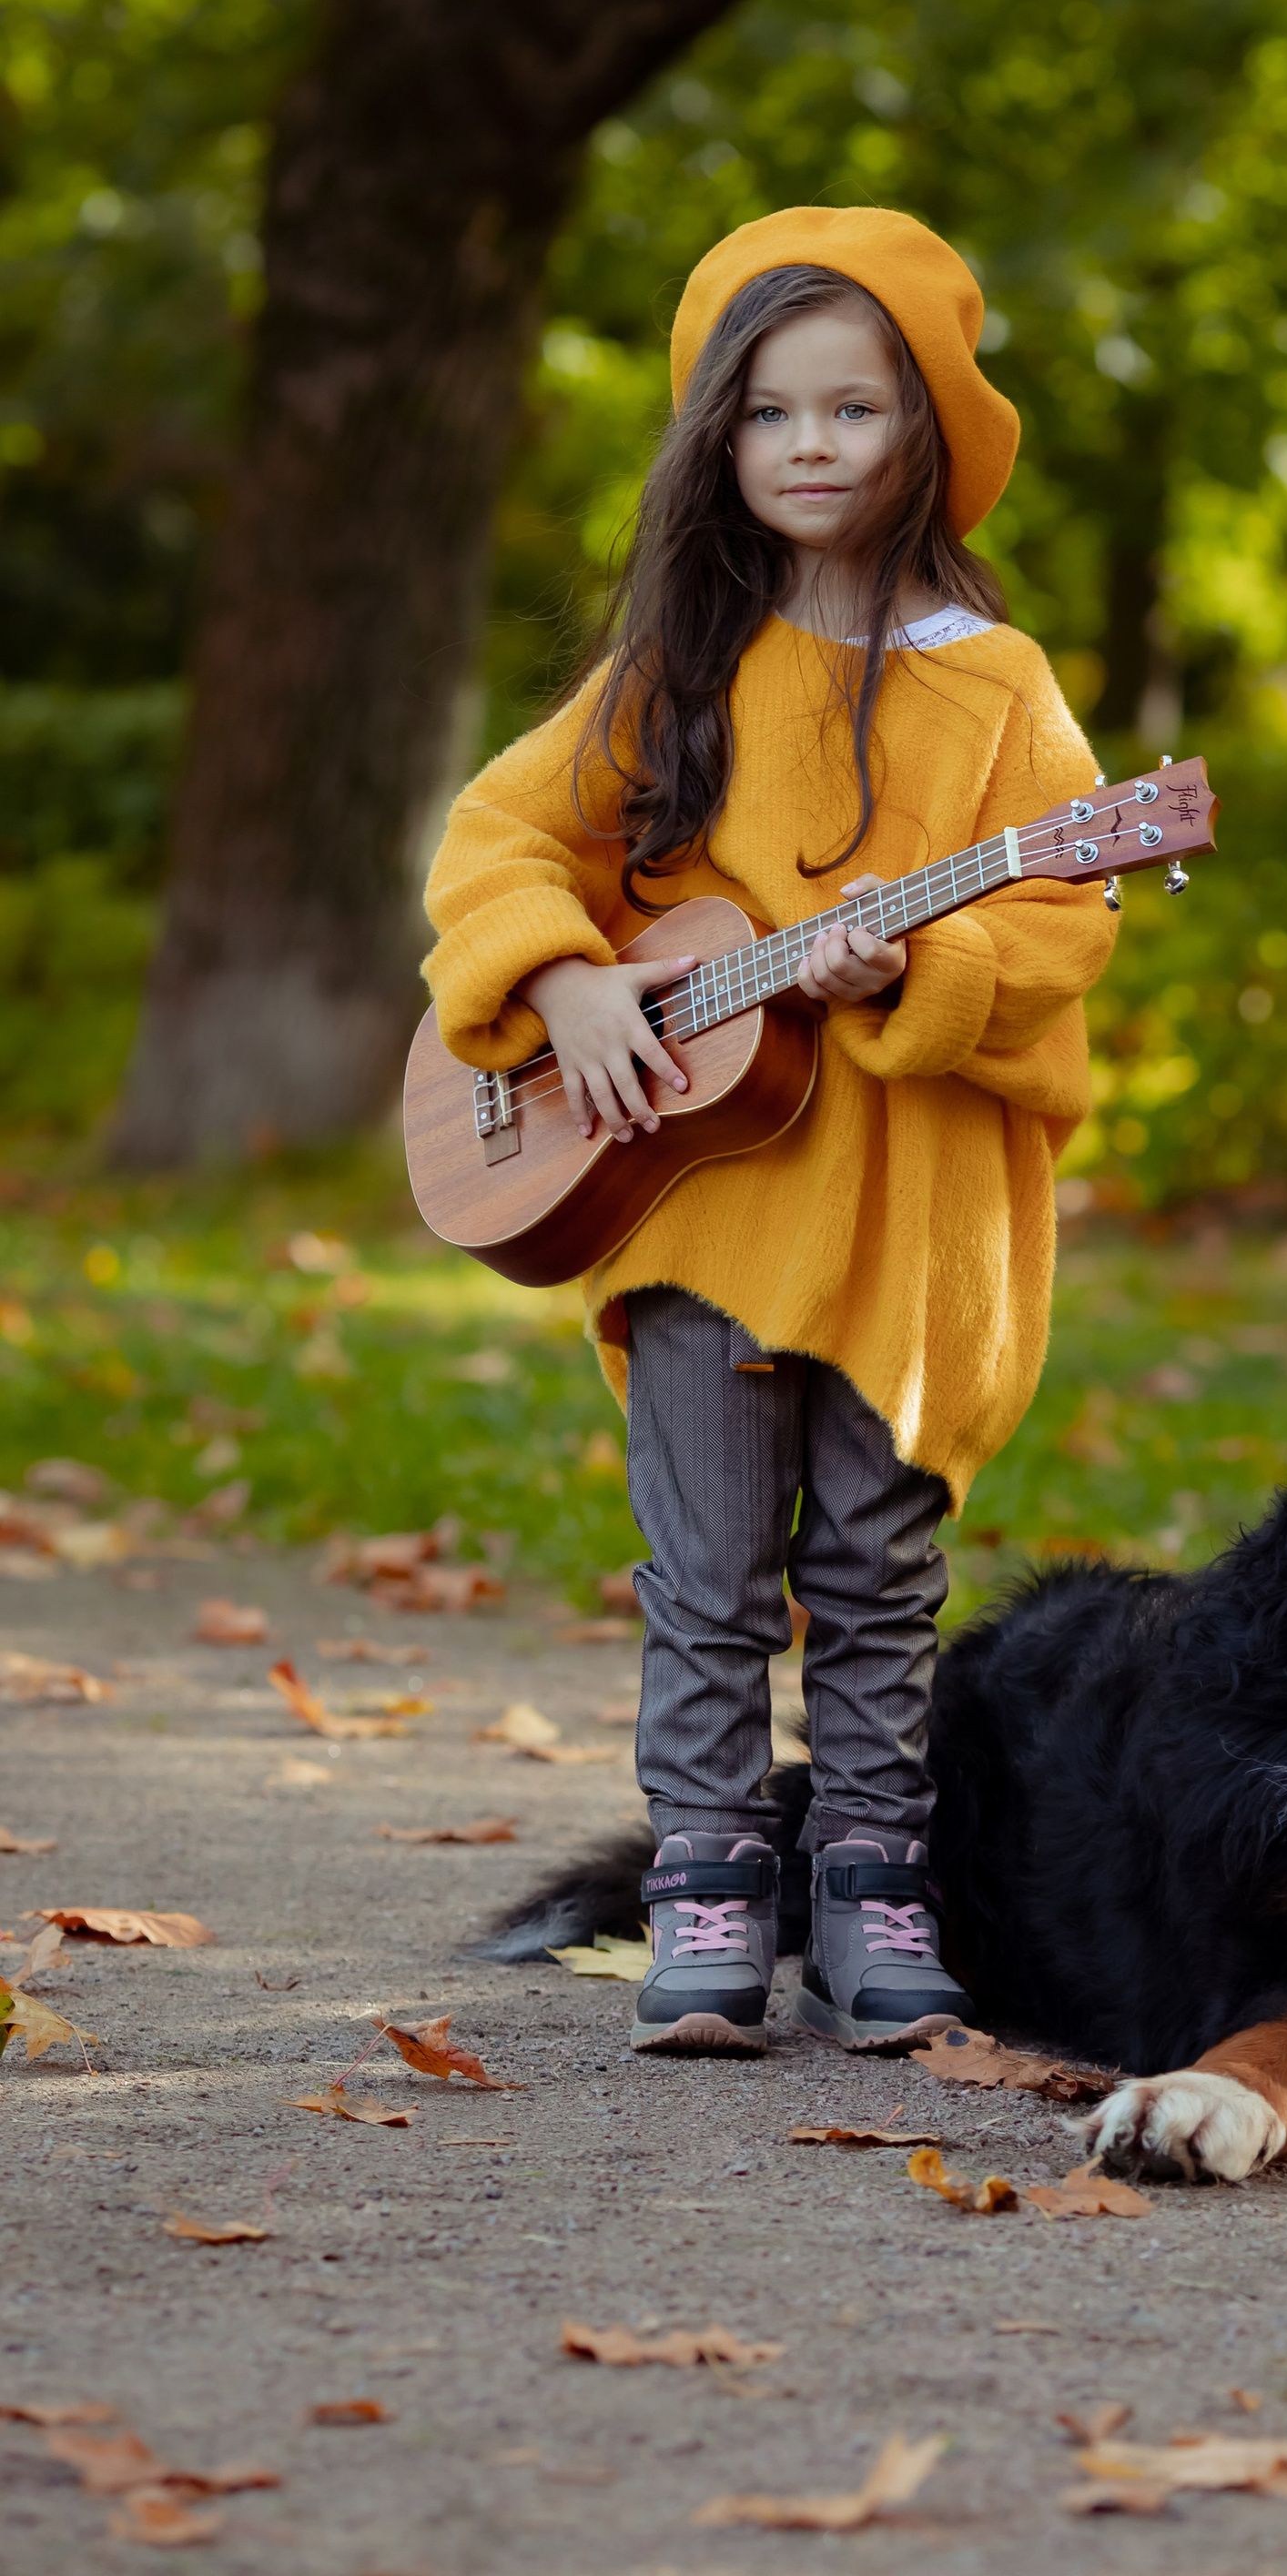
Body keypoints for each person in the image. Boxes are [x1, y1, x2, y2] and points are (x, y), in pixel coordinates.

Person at [421, 207, 1117, 2055]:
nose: (809, 448)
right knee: (709, 1572)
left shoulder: (1000, 683)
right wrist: (566, 980)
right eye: (768, 415)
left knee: (880, 1574)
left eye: (854, 411)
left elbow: (1061, 924)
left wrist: (924, 962)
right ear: (716, 442)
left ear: (927, 437)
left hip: (907, 1218)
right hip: (702, 1210)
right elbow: (497, 840)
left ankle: (875, 1888)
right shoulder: (677, 666)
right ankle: (707, 1888)